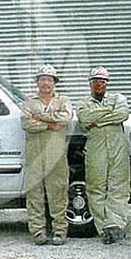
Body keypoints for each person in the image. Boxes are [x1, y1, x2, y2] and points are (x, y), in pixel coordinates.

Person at [20, 64, 72, 246]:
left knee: (58, 191)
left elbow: (65, 119)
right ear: (37, 82)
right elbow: (26, 123)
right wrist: (50, 123)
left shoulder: (63, 100)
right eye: (42, 79)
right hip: (35, 153)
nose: (45, 83)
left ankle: (59, 231)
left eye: (49, 79)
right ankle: (38, 232)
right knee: (35, 193)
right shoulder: (29, 103)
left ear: (54, 82)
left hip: (56, 154)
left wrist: (40, 117)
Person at [77, 66, 129, 244]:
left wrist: (96, 121)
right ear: (90, 84)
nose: (100, 84)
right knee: (96, 187)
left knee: (118, 187)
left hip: (117, 148)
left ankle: (116, 224)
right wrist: (109, 113)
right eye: (96, 81)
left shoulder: (118, 98)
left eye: (103, 81)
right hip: (95, 149)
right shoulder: (83, 102)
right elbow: (84, 119)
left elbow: (122, 114)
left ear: (107, 84)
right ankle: (104, 228)